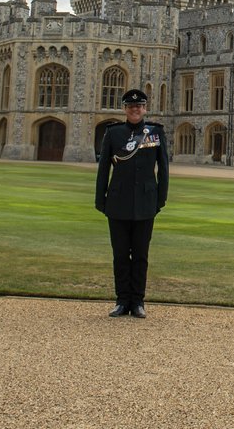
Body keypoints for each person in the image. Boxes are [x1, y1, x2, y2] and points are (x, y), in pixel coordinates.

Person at [96, 88, 169, 318]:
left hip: (146, 202)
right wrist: (101, 200)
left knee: (140, 256)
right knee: (120, 255)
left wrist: (160, 200)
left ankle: (138, 301)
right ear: (125, 109)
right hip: (118, 202)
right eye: (130, 106)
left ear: (144, 108)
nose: (135, 109)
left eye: (138, 106)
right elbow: (103, 168)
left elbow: (164, 169)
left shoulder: (155, 132)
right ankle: (121, 301)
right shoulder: (113, 133)